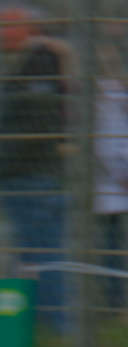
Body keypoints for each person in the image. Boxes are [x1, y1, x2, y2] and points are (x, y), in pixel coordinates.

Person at [0, 5, 73, 331]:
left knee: (43, 253)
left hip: (32, 174)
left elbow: (42, 116)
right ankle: (37, 324)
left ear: (28, 28)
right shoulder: (25, 62)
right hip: (26, 173)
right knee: (34, 253)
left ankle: (55, 325)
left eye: (7, 25)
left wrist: (9, 156)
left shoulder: (39, 60)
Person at [97, 66, 128, 315]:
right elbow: (108, 144)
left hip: (115, 188)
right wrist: (122, 176)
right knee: (111, 245)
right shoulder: (108, 97)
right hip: (112, 190)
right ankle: (115, 302)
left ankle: (115, 300)